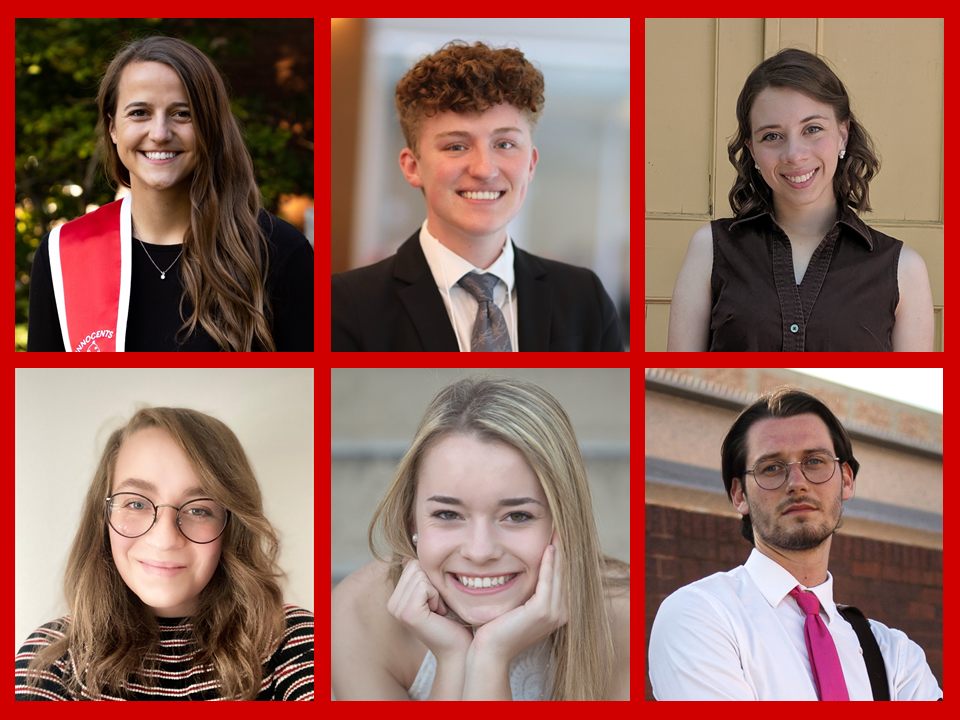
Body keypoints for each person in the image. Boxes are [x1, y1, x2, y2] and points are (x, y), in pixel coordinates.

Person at [331, 377, 629, 699]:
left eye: (517, 516)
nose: (480, 551)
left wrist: (491, 656)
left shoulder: (622, 616)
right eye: (448, 514)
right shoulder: (359, 615)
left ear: (564, 524)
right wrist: (453, 658)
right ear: (411, 520)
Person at [648, 387, 942, 700]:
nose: (797, 483)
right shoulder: (701, 616)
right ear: (739, 494)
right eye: (771, 468)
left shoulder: (895, 657)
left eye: (814, 461)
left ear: (846, 480)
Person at [26, 36, 313, 352]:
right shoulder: (63, 253)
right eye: (139, 113)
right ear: (112, 127)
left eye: (182, 113)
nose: (160, 134)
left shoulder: (278, 251)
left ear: (210, 125)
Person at [331, 41, 623, 351]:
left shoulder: (583, 296)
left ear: (531, 164)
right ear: (413, 166)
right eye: (456, 146)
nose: (485, 169)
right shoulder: (345, 305)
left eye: (505, 144)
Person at [15, 407, 314, 700]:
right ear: (102, 516)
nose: (164, 539)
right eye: (136, 504)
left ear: (232, 526)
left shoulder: (294, 643)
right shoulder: (50, 659)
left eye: (199, 509)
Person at [667, 48, 933, 351]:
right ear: (752, 150)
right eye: (771, 136)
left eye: (813, 129)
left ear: (843, 135)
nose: (794, 154)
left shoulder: (904, 269)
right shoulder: (709, 250)